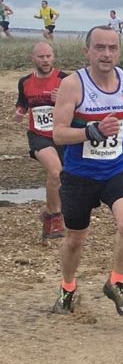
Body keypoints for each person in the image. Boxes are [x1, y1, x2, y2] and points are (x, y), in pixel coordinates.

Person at [51, 26, 123, 316]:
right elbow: (58, 134)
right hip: (80, 176)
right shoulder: (73, 85)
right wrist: (92, 131)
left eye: (112, 48)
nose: (106, 54)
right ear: (87, 51)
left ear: (119, 51)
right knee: (74, 240)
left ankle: (116, 282)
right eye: (100, 47)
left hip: (117, 170)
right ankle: (67, 287)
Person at [14, 42, 68, 240]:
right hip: (38, 136)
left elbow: (80, 106)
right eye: (41, 57)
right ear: (33, 58)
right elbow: (23, 102)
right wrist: (19, 111)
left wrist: (61, 98)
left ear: (53, 57)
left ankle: (46, 214)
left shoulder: (65, 80)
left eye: (48, 56)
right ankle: (55, 218)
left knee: (65, 182)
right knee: (55, 170)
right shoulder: (25, 81)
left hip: (63, 136)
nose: (45, 60)